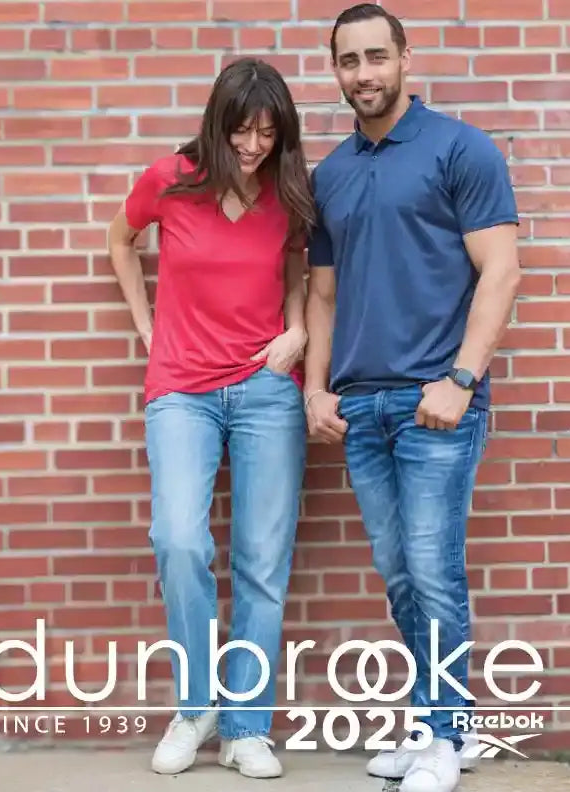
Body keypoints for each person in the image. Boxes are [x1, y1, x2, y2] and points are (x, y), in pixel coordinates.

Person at [303, 5, 520, 792]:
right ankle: (441, 725)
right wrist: (317, 389)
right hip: (364, 410)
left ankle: (441, 734)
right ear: (336, 71)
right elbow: (321, 297)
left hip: (438, 405)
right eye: (348, 62)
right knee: (399, 576)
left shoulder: (461, 149)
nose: (363, 74)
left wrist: (461, 381)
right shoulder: (329, 174)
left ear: (403, 59)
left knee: (434, 571)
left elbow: (501, 271)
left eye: (375, 57)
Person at [107, 57, 314, 779]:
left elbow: (297, 267)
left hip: (265, 390)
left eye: (267, 132)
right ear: (216, 123)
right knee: (179, 540)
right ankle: (195, 709)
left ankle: (247, 727)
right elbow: (118, 243)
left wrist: (295, 331)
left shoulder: (285, 191)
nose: (254, 146)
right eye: (242, 130)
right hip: (182, 391)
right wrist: (146, 327)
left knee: (262, 562)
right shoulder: (169, 180)